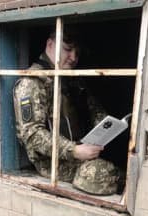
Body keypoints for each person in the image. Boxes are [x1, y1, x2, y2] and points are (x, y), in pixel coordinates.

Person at [13, 28, 121, 195]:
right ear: (50, 45)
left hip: (83, 147)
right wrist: (75, 150)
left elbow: (93, 108)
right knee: (106, 174)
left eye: (77, 52)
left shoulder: (72, 78)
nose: (73, 58)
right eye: (68, 50)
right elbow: (32, 135)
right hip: (54, 161)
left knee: (119, 166)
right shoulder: (33, 82)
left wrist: (106, 127)